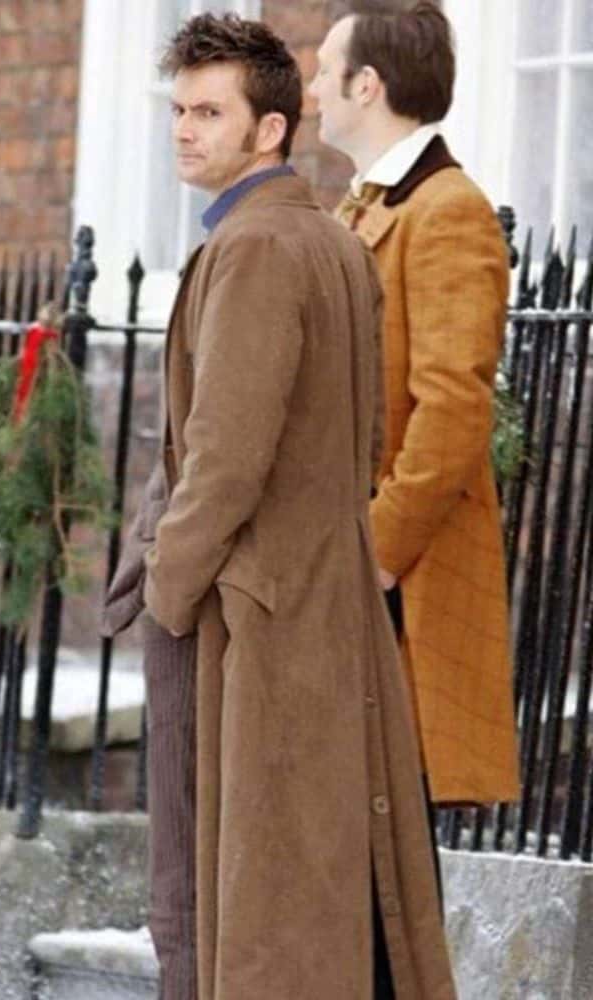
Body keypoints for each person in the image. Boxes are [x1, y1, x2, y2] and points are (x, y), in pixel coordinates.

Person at [105, 12, 456, 1000]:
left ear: (270, 129)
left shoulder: (258, 245)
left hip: (251, 620)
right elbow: (347, 439)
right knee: (312, 883)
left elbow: (225, 456)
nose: (184, 129)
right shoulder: (329, 239)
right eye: (179, 109)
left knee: (244, 897)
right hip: (315, 601)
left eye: (209, 112)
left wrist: (169, 590)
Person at [309, 0, 520, 862]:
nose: (313, 88)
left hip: (397, 584)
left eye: (325, 70)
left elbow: (454, 412)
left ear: (368, 84)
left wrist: (377, 551)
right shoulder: (361, 207)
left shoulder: (449, 210)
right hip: (341, 568)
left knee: (385, 866)